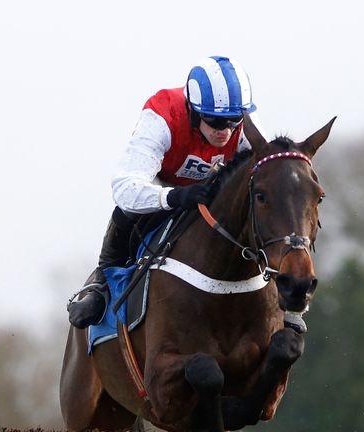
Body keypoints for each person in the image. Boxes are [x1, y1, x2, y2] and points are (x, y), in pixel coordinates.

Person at [67, 56, 308, 333]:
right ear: (193, 112)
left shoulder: (242, 121)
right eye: (216, 122)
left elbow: (268, 170)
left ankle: (278, 291)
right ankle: (99, 285)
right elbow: (125, 188)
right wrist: (174, 197)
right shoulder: (162, 115)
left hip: (214, 196)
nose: (226, 132)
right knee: (127, 210)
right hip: (162, 186)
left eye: (232, 122)